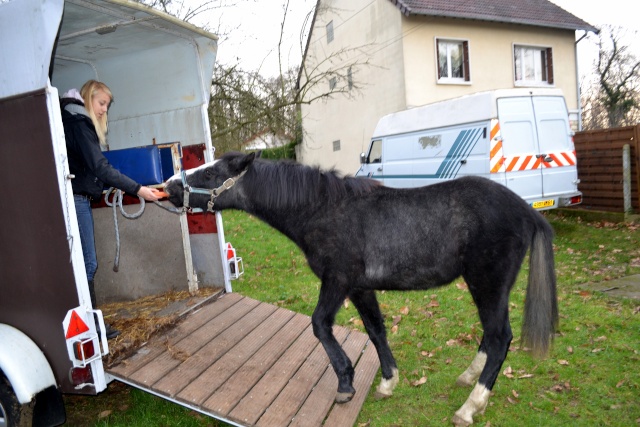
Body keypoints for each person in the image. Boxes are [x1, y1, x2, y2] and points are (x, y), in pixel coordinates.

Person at [61, 80, 161, 339]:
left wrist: (107, 186)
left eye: (107, 105)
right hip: (77, 199)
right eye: (101, 103)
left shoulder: (71, 120)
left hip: (77, 196)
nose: (104, 109)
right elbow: (99, 167)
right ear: (87, 98)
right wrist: (138, 189)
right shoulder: (80, 124)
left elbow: (88, 169)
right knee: (88, 264)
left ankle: (88, 321)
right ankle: (90, 323)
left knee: (84, 263)